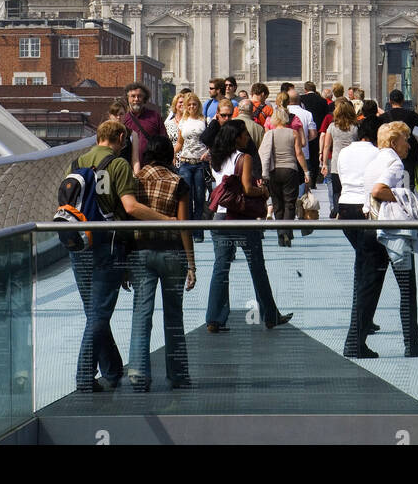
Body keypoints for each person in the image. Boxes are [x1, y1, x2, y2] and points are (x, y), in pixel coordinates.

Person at [66, 120, 171, 393]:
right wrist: (165, 219)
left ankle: (112, 368)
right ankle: (84, 375)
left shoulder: (76, 161)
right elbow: (130, 206)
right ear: (121, 138)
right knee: (100, 313)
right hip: (108, 245)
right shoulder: (118, 165)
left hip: (79, 243)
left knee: (93, 310)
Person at [205, 120, 292, 333]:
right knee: (256, 266)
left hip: (220, 216)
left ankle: (214, 319)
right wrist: (262, 192)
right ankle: (270, 315)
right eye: (244, 134)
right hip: (241, 217)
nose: (247, 138)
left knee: (221, 267)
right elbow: (246, 189)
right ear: (237, 138)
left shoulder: (215, 158)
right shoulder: (244, 158)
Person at [356, 122, 418, 359]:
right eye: (405, 140)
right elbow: (379, 190)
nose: (408, 145)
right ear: (394, 143)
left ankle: (354, 343)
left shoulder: (373, 161)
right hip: (393, 233)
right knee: (408, 289)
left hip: (371, 228)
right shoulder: (395, 163)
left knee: (368, 288)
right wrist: (402, 198)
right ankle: (412, 344)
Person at [126, 139, 196, 392]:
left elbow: (127, 215)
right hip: (172, 253)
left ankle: (138, 374)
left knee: (141, 314)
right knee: (174, 316)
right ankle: (178, 375)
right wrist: (191, 263)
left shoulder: (134, 180)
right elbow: (183, 225)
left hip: (140, 251)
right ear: (170, 157)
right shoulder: (178, 182)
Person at [336, 118, 381, 358]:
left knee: (363, 265)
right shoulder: (377, 154)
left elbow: (340, 178)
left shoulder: (344, 152)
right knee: (371, 274)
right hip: (365, 210)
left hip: (345, 209)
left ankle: (359, 333)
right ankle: (356, 339)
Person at [260, 105, 310, 246]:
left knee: (277, 203)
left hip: (274, 171)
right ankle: (286, 231)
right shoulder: (293, 133)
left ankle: (281, 235)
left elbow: (263, 153)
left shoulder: (270, 134)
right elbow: (299, 154)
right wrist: (306, 171)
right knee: (289, 202)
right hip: (290, 169)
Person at [174, 93, 210, 238]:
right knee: (187, 198)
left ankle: (198, 231)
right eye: (189, 105)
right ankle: (188, 230)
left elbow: (210, 141)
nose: (191, 107)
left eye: (194, 104)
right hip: (185, 162)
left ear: (198, 105)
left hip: (200, 163)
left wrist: (208, 152)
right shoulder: (183, 121)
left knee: (200, 197)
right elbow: (180, 143)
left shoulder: (204, 120)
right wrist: (171, 154)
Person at [385, 89, 418, 196]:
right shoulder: (410, 114)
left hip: (391, 153)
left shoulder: (384, 117)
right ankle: (408, 199)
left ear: (390, 101)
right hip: (409, 152)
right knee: (409, 184)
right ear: (402, 101)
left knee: (392, 180)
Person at [321, 97, 358, 219]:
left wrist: (324, 163)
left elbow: (326, 146)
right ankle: (346, 211)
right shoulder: (355, 127)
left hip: (337, 162)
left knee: (336, 190)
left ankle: (337, 210)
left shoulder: (332, 126)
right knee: (349, 188)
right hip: (352, 162)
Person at [123, 83, 169, 168]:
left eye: (139, 96)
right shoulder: (124, 119)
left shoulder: (155, 116)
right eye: (133, 96)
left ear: (144, 98)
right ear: (127, 98)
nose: (136, 99)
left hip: (152, 166)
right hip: (129, 167)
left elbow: (164, 141)